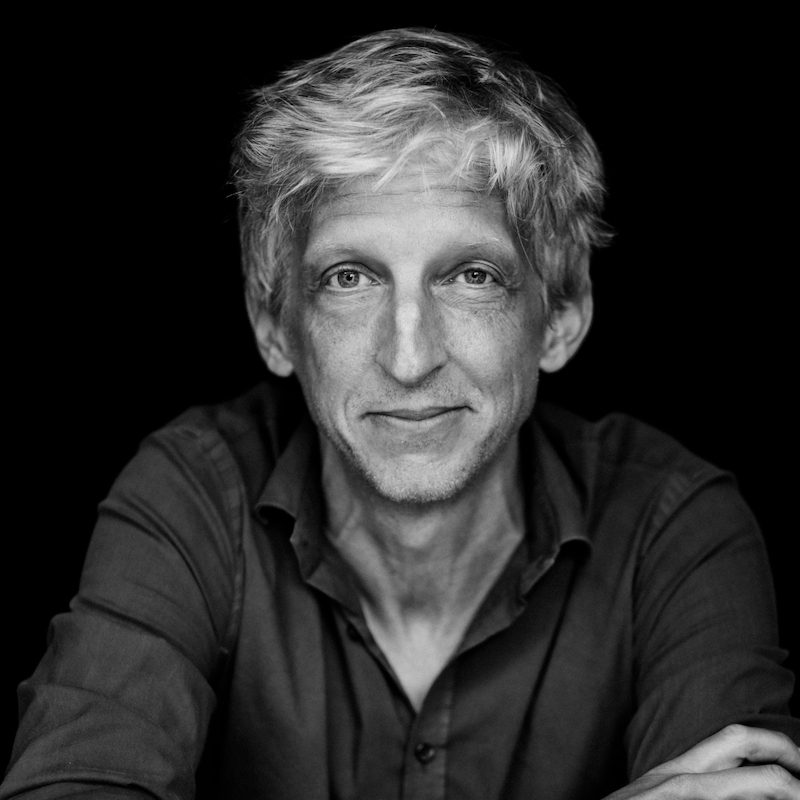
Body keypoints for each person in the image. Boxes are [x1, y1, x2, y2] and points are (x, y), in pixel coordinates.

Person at [3, 27, 799, 800]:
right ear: (274, 324)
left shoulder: (672, 525)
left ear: (561, 315)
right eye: (349, 278)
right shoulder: (193, 491)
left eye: (472, 276)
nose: (410, 359)